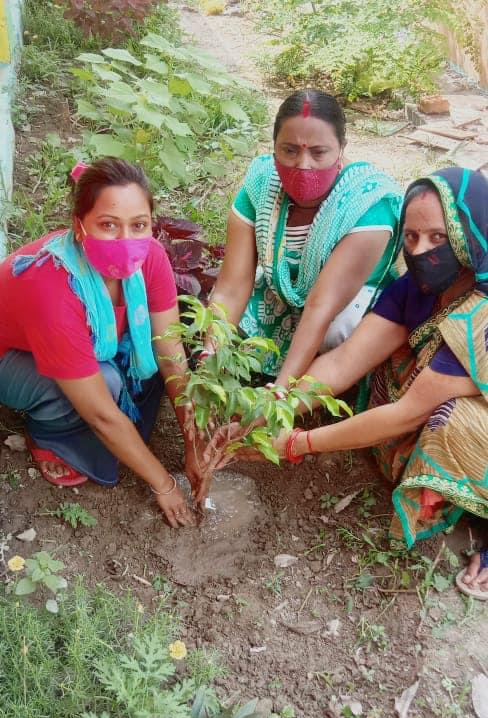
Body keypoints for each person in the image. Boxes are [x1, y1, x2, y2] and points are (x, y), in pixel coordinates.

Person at [253, 167, 488, 596]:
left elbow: (406, 413)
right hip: (435, 396)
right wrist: (275, 407)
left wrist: (297, 443)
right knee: (389, 365)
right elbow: (344, 362)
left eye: (438, 237)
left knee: (453, 420)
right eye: (411, 237)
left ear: (470, 235)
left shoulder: (481, 314)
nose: (420, 251)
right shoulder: (418, 288)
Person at [0, 158, 200, 527]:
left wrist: (194, 444)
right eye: (108, 225)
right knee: (106, 385)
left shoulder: (151, 258)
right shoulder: (52, 288)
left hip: (64, 345)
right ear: (79, 226)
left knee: (148, 362)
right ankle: (47, 435)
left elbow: (171, 352)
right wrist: (165, 484)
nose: (127, 241)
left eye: (138, 225)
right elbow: (101, 416)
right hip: (8, 359)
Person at [208, 89, 403, 380]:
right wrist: (210, 361)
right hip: (288, 293)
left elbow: (321, 306)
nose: (303, 165)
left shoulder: (368, 203)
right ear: (274, 147)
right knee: (225, 316)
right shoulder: (261, 184)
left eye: (318, 152)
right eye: (290, 150)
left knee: (336, 332)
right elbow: (231, 288)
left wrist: (281, 391)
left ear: (341, 148)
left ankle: (328, 378)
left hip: (344, 301)